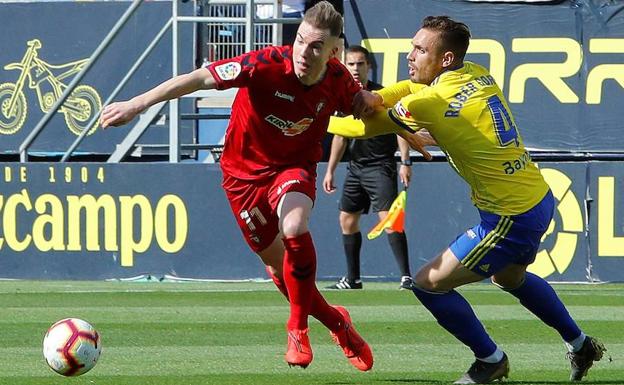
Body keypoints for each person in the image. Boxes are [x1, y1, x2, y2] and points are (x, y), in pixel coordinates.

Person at [99, 1, 374, 372]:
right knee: (282, 271)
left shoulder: (339, 81)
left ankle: (297, 329)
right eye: (301, 41)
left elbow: (372, 112)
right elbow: (197, 79)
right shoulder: (263, 64)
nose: (305, 52)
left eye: (316, 46)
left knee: (294, 226)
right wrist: (136, 104)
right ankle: (339, 324)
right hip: (242, 177)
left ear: (333, 51)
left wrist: (405, 124)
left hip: (293, 168)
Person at [335, 15, 606, 384]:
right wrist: (379, 97)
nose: (409, 55)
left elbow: (360, 126)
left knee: (428, 283)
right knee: (510, 278)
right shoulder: (475, 72)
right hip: (537, 197)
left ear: (445, 59)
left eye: (420, 49)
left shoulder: (432, 100)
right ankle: (580, 343)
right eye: (412, 46)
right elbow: (410, 93)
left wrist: (314, 116)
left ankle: (490, 360)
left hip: (509, 215)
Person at [323, 45, 414, 290]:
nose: (355, 68)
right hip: (355, 168)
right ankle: (353, 279)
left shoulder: (382, 95)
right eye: (350, 64)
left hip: (380, 166)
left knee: (390, 221)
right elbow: (341, 136)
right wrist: (330, 170)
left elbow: (401, 129)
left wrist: (405, 162)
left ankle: (406, 276)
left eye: (360, 64)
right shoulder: (345, 97)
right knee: (347, 220)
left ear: (368, 66)